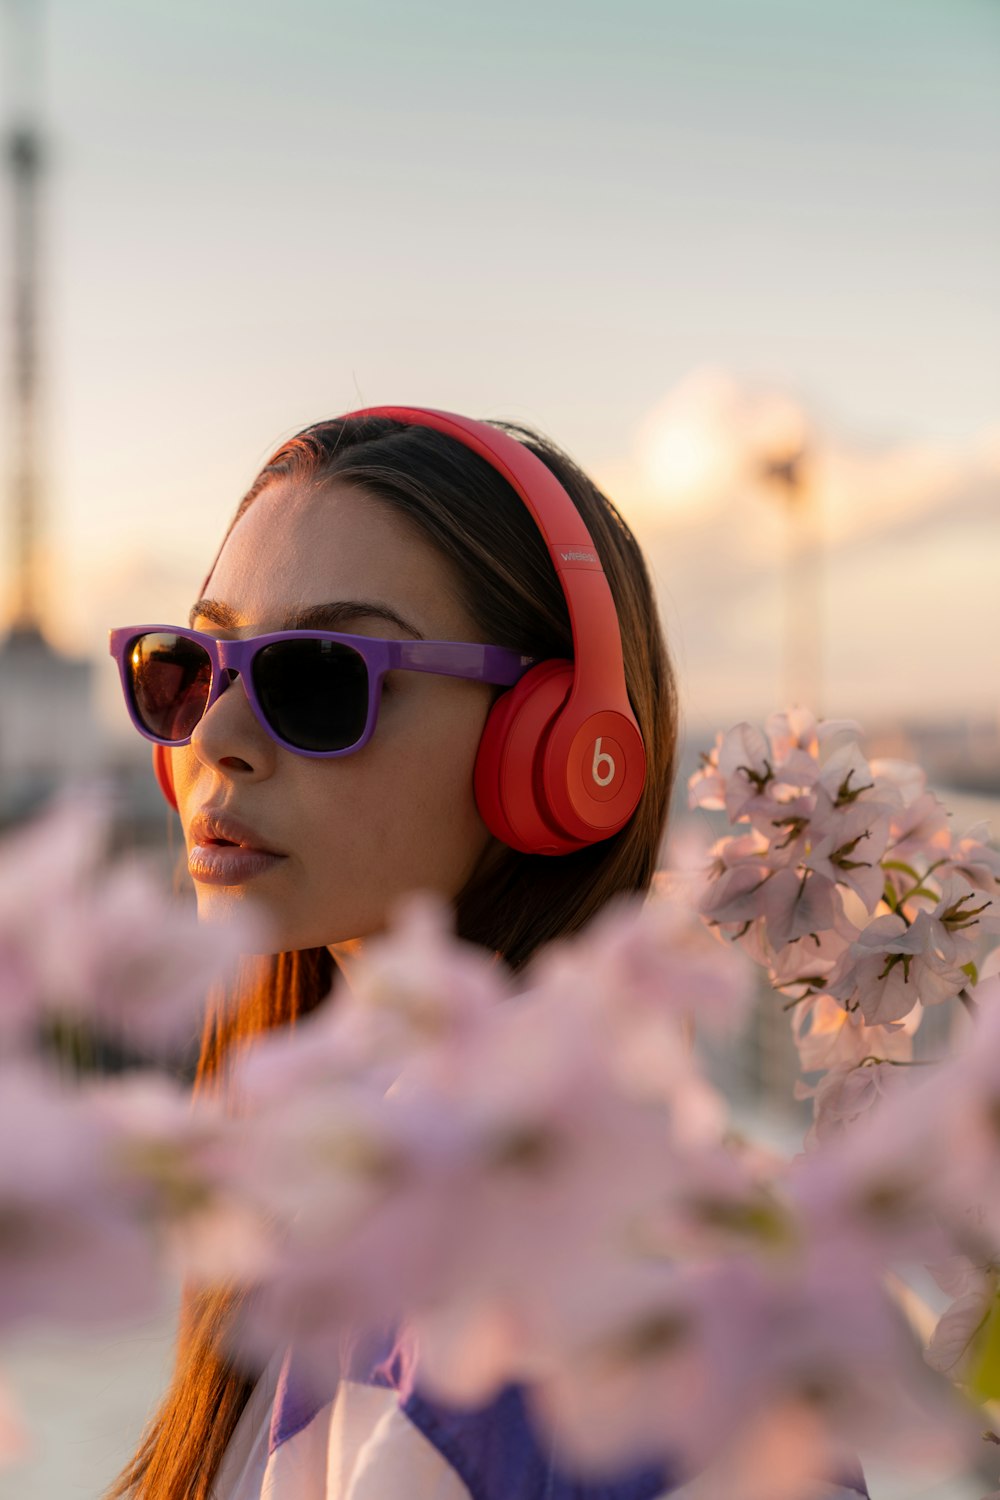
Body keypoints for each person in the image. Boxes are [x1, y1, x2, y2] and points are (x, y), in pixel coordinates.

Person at [105, 407, 866, 1500]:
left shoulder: (536, 1294)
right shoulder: (345, 1172)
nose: (215, 737)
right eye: (192, 666)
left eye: (318, 678)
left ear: (559, 752)